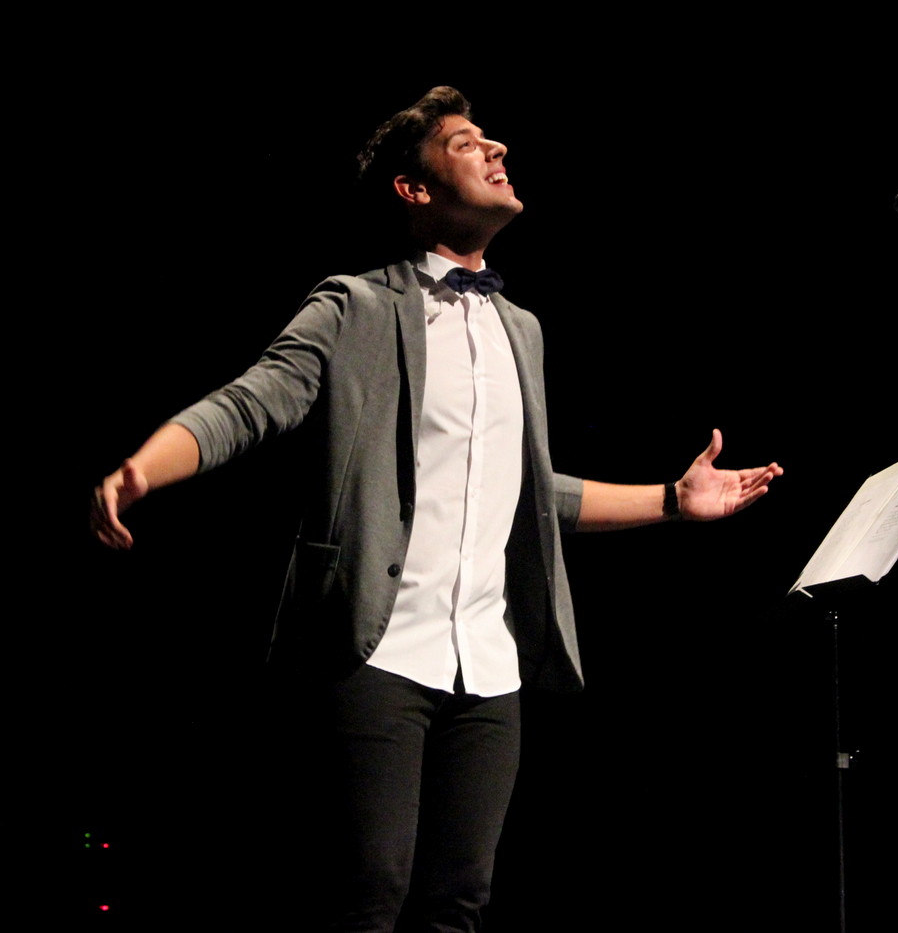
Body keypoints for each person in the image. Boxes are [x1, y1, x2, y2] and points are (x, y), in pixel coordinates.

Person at [91, 86, 782, 931]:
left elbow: (530, 494)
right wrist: (145, 467)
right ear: (413, 189)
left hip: (488, 666)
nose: (496, 150)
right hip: (377, 650)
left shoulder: (520, 328)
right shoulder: (356, 305)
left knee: (460, 904)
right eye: (464, 143)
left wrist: (673, 500)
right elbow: (250, 403)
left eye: (492, 139)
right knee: (367, 897)